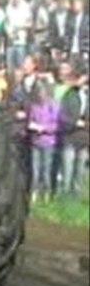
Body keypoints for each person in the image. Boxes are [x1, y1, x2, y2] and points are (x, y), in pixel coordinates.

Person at [56, 62, 89, 196]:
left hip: (84, 138)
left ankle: (77, 194)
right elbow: (62, 116)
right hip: (70, 137)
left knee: (80, 170)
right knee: (68, 169)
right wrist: (76, 123)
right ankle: (65, 194)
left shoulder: (87, 96)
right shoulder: (68, 95)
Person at [27, 79, 62, 203]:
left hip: (48, 142)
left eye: (42, 92)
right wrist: (33, 126)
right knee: (35, 170)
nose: (40, 95)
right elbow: (30, 121)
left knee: (46, 169)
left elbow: (57, 125)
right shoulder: (34, 106)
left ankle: (46, 193)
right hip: (35, 141)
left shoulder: (53, 106)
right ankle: (34, 192)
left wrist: (45, 128)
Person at [5, 0, 33, 73]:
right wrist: (9, 32)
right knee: (10, 68)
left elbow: (30, 23)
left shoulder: (25, 7)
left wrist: (19, 28)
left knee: (21, 67)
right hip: (10, 42)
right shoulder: (8, 7)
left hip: (22, 42)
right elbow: (6, 22)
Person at [65, 0, 89, 77]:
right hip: (72, 50)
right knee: (72, 73)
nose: (75, 6)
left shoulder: (87, 18)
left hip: (83, 50)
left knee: (84, 73)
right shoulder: (71, 18)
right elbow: (68, 35)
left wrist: (86, 50)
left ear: (82, 4)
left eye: (77, 3)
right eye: (74, 4)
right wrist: (66, 49)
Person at [49, 0, 71, 67]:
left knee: (67, 66)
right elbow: (51, 32)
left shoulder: (70, 15)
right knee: (57, 66)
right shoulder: (52, 15)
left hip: (68, 43)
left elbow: (72, 33)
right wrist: (52, 48)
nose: (59, 4)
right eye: (57, 2)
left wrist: (66, 49)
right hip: (57, 44)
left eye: (61, 2)